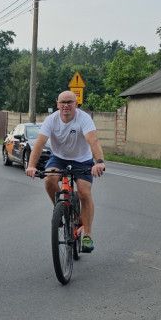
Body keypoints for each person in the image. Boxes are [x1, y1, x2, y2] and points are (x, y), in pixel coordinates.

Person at [25, 90, 106, 253]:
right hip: (59, 158)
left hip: (82, 159)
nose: (66, 105)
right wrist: (31, 166)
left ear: (76, 104)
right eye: (62, 102)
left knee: (84, 192)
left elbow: (93, 140)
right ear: (57, 104)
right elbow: (39, 143)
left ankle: (87, 235)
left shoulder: (84, 118)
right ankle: (60, 210)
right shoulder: (51, 120)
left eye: (70, 102)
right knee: (49, 179)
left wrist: (99, 162)